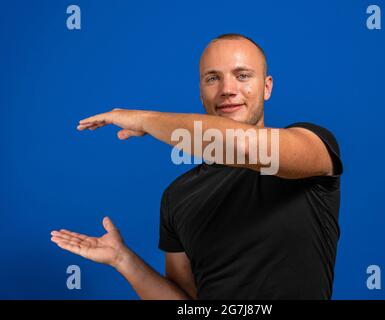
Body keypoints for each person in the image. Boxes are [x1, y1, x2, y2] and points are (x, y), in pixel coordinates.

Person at [50, 33, 344, 300]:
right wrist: (122, 260)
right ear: (200, 93)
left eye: (242, 76)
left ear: (266, 87)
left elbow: (241, 145)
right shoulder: (177, 195)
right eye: (213, 79)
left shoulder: (312, 144)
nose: (228, 89)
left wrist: (144, 120)